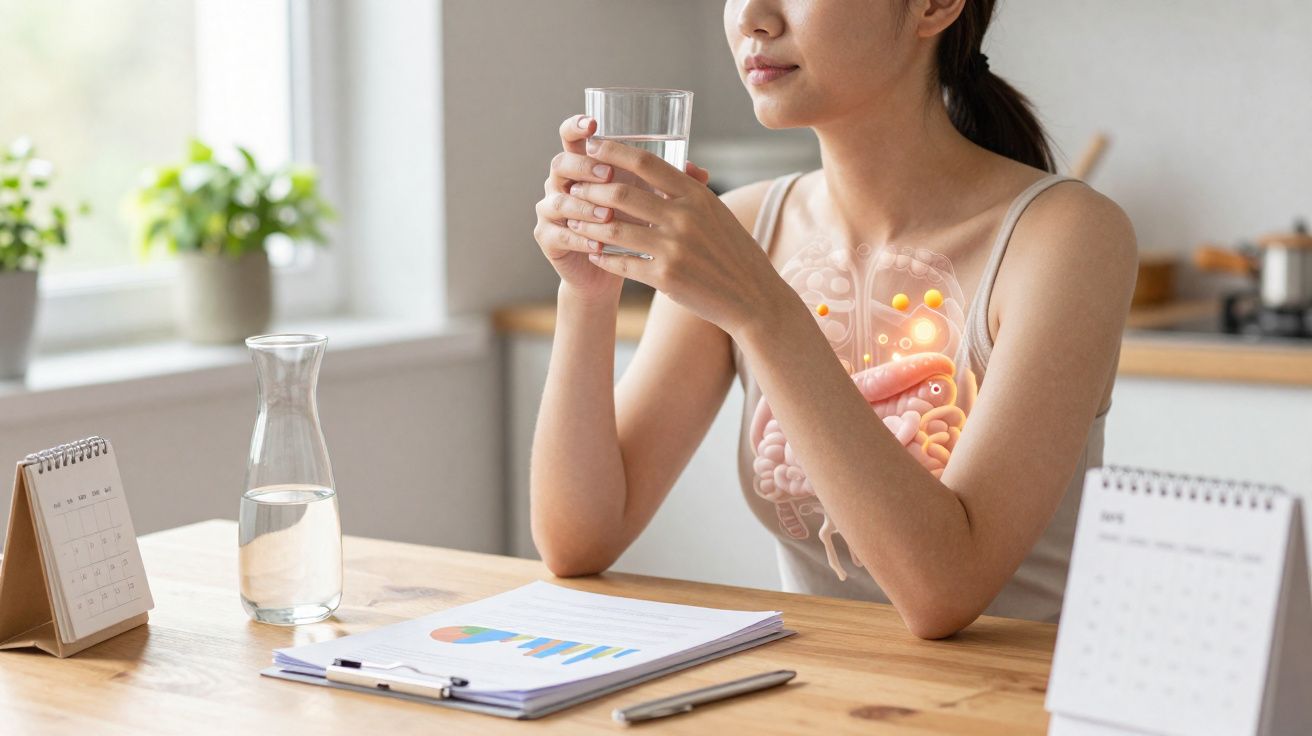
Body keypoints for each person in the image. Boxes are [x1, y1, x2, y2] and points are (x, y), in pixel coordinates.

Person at [529, 0, 1136, 639]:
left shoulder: (1068, 236)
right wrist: (588, 293)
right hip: (817, 693)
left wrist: (764, 310)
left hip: (1015, 701)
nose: (752, 18)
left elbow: (945, 593)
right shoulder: (740, 230)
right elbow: (579, 541)